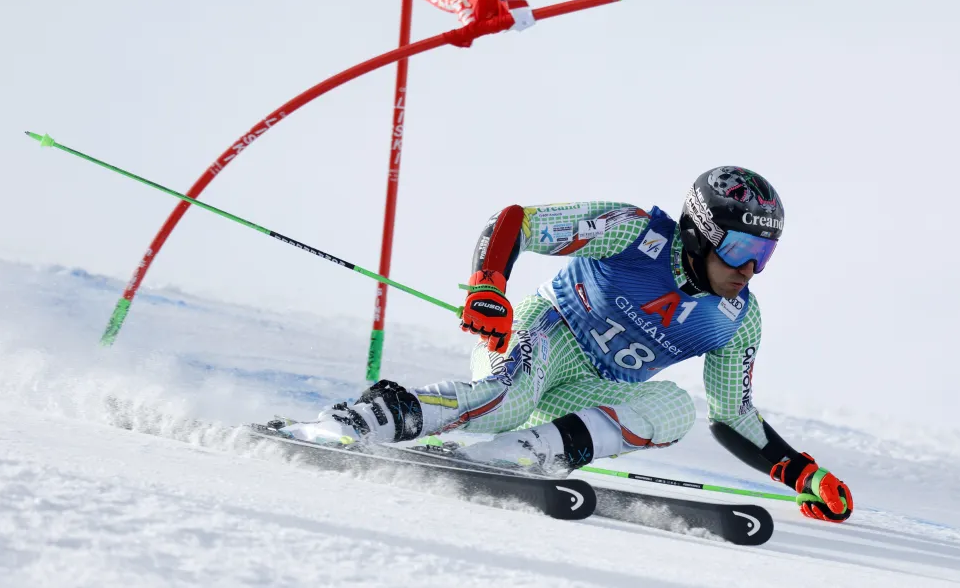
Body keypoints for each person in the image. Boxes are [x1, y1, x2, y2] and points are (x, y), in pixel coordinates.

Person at [278, 166, 853, 523]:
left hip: (594, 385)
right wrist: (488, 287)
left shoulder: (736, 319)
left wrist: (802, 473)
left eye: (765, 255)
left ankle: (521, 455)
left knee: (677, 409)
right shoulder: (634, 231)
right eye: (740, 249)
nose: (750, 269)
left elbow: (733, 415)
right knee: (505, 400)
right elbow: (517, 222)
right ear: (701, 231)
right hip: (546, 332)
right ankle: (356, 420)